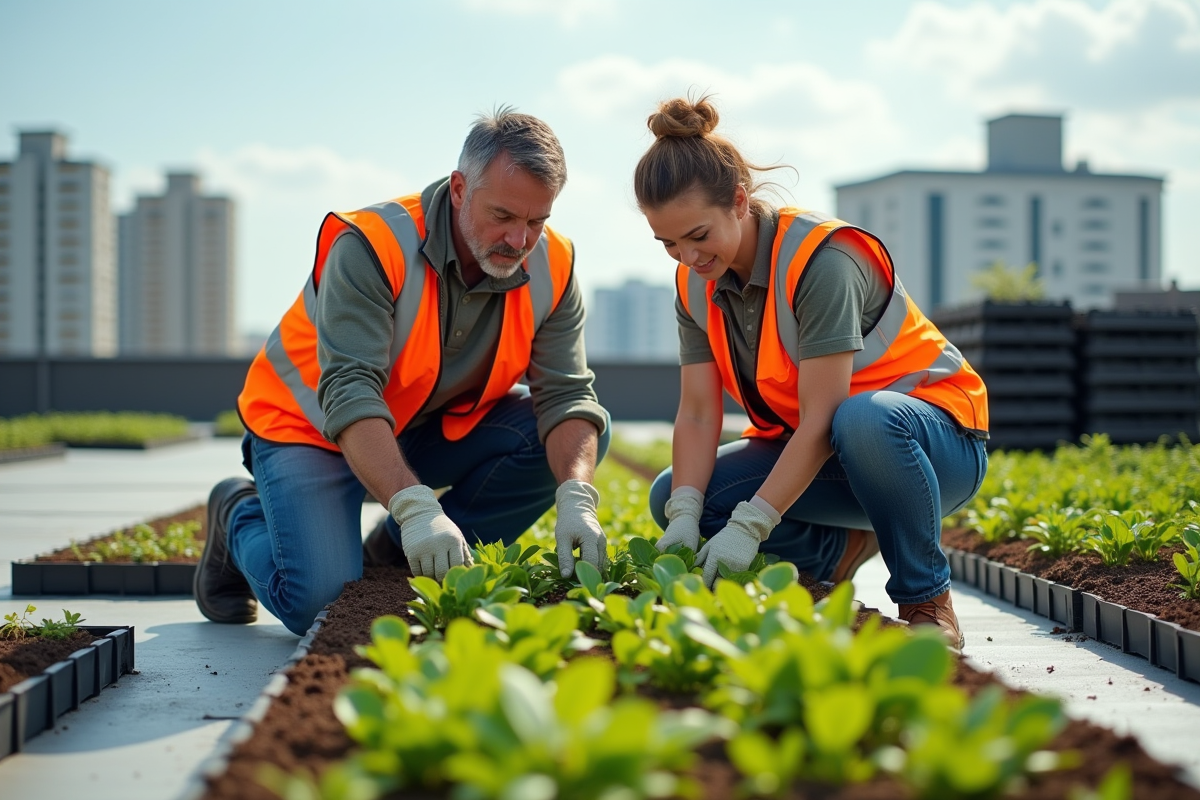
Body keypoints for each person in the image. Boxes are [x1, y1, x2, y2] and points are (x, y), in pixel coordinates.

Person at [196, 108, 611, 636]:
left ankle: (391, 552)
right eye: (503, 215)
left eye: (536, 221)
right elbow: (349, 390)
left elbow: (566, 393)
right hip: (308, 428)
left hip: (415, 428)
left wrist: (577, 496)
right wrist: (420, 508)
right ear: (460, 189)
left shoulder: (554, 265)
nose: (519, 239)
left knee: (573, 431)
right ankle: (236, 514)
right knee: (317, 606)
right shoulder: (372, 244)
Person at [634, 97, 988, 649]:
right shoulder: (694, 287)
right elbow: (700, 414)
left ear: (739, 201)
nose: (687, 257)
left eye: (698, 235)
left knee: (862, 419)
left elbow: (824, 417)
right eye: (669, 244)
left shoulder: (821, 262)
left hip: (933, 445)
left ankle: (927, 600)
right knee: (672, 493)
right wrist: (684, 514)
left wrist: (751, 526)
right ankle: (833, 558)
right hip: (835, 452)